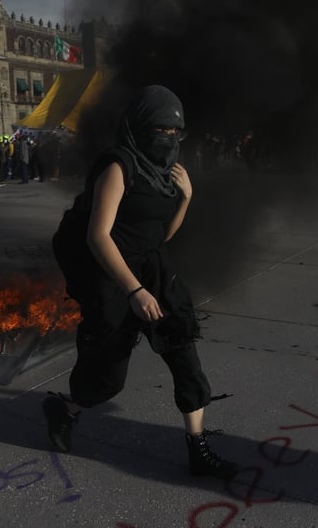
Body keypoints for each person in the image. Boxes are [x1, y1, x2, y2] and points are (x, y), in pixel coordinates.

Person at [45, 85, 238, 480]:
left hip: (154, 271)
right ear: (139, 127)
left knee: (185, 358)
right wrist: (134, 291)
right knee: (107, 380)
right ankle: (67, 410)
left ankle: (198, 447)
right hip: (114, 277)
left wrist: (185, 199)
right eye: (161, 130)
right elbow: (97, 236)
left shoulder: (168, 171)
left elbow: (161, 236)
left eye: (175, 132)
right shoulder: (119, 166)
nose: (169, 139)